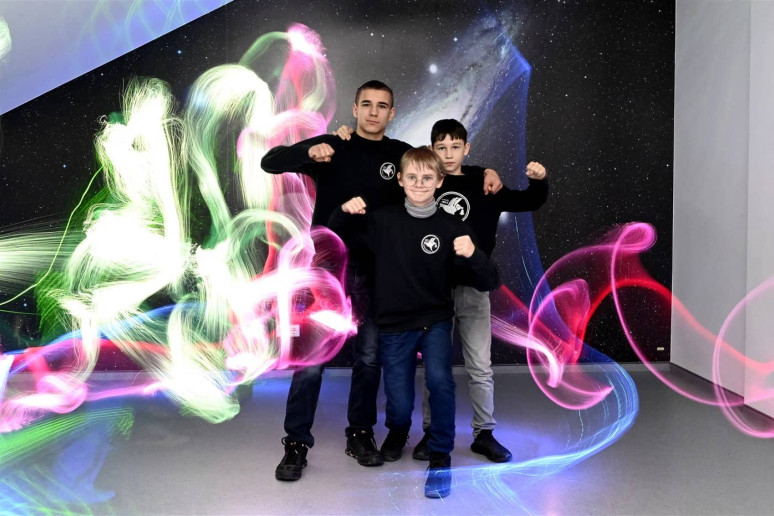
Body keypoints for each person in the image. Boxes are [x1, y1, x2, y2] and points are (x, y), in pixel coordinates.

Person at [261, 82, 502, 481]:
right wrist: (307, 151)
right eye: (367, 105)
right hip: (327, 266)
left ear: (392, 113)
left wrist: (486, 174)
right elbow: (270, 161)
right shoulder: (331, 145)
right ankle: (296, 443)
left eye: (382, 106)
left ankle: (359, 434)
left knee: (369, 357)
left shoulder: (400, 153)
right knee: (313, 361)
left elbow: (440, 172)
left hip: (376, 269)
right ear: (355, 108)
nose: (374, 112)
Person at [329, 147, 500, 498]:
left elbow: (489, 281)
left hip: (434, 321)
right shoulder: (382, 220)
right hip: (394, 324)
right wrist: (342, 213)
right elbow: (337, 238)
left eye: (426, 178)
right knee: (399, 399)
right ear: (400, 180)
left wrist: (474, 255)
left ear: (439, 181)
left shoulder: (452, 226)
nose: (419, 183)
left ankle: (440, 454)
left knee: (440, 382)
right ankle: (398, 430)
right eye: (412, 177)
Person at [412, 118, 548, 463]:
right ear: (431, 149)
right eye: (441, 147)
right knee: (434, 368)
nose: (448, 154)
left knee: (480, 366)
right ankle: (431, 432)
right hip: (435, 291)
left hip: (474, 287)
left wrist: (539, 180)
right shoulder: (425, 183)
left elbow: (527, 201)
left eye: (455, 147)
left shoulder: (483, 183)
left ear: (466, 148)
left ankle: (484, 433)